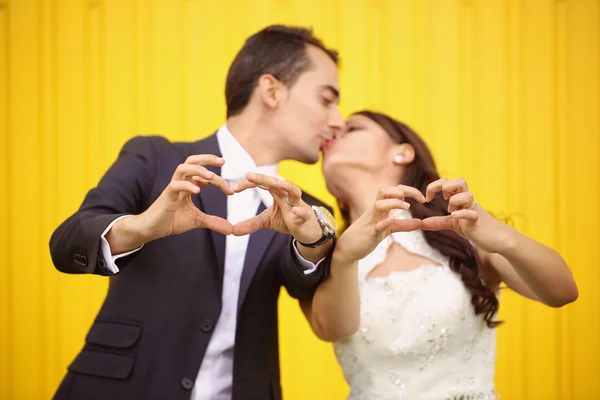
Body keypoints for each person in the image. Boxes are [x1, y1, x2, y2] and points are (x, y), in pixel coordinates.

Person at [49, 25, 345, 400]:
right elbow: (66, 243)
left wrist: (312, 243)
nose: (338, 120)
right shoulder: (154, 157)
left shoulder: (309, 211)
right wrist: (141, 228)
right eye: (327, 99)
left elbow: (305, 285)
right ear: (271, 90)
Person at [245, 110, 579, 399]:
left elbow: (562, 292)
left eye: (354, 127)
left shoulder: (463, 232)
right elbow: (333, 328)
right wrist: (344, 256)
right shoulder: (319, 251)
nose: (333, 133)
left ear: (403, 152)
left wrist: (500, 237)